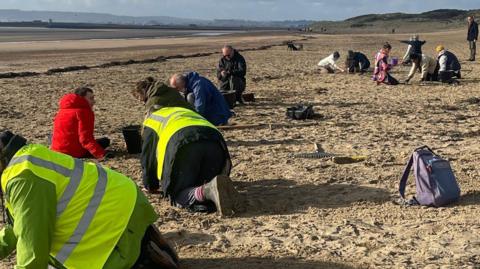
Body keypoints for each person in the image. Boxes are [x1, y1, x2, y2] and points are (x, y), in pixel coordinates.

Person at [0, 130, 179, 269]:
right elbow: (20, 223)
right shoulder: (26, 158)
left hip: (115, 227)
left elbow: (33, 247)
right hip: (127, 203)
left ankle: (138, 257)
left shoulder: (22, 179)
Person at [141, 105, 240, 216]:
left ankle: (205, 191)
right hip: (214, 140)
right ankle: (216, 191)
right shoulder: (180, 111)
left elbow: (148, 160)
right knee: (208, 182)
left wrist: (151, 185)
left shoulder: (152, 121)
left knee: (178, 196)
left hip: (183, 144)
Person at [51, 87, 110, 160]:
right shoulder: (84, 112)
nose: (94, 101)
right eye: (91, 98)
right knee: (105, 141)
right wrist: (101, 154)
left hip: (56, 150)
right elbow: (85, 139)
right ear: (82, 99)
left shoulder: (62, 110)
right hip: (72, 153)